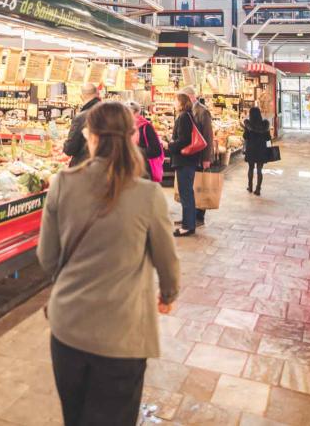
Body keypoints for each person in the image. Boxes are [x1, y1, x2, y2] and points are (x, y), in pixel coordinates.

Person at [38, 101, 180, 426]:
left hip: (68, 329)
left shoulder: (62, 182)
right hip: (123, 335)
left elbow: (47, 258)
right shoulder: (148, 194)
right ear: (132, 138)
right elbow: (167, 262)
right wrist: (168, 295)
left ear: (91, 137)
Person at [177, 86, 214, 228]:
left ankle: (199, 217)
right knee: (189, 188)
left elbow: (208, 136)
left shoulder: (202, 111)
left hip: (199, 156)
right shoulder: (187, 111)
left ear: (189, 96)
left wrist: (206, 158)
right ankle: (189, 216)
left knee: (199, 186)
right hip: (190, 156)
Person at [169, 93, 204, 237]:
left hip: (185, 160)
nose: (174, 103)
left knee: (186, 193)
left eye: (176, 101)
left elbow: (184, 140)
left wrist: (170, 145)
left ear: (181, 102)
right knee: (186, 192)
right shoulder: (188, 115)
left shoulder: (184, 117)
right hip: (188, 160)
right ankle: (188, 221)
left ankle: (188, 226)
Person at [63, 83, 101, 166]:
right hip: (105, 166)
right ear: (97, 94)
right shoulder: (109, 113)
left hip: (83, 166)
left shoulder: (81, 117)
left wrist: (65, 144)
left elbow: (70, 149)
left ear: (81, 96)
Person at [129, 102, 163, 182]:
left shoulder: (146, 127)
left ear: (137, 112)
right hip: (129, 170)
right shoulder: (124, 126)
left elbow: (156, 150)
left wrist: (136, 152)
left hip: (143, 170)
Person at [244, 106, 271, 196]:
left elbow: (245, 137)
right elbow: (268, 138)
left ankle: (250, 187)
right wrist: (269, 148)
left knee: (250, 168)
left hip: (251, 149)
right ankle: (258, 189)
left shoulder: (248, 124)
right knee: (259, 169)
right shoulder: (265, 124)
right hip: (261, 149)